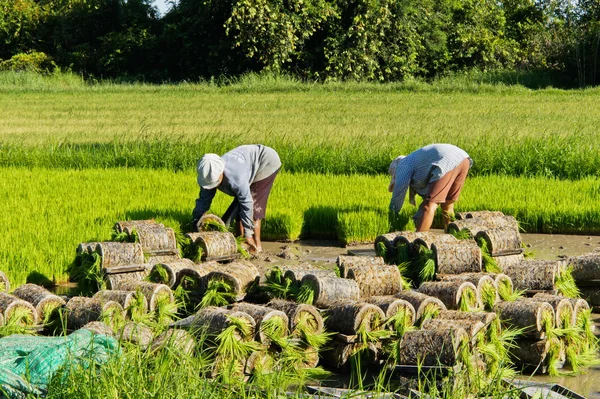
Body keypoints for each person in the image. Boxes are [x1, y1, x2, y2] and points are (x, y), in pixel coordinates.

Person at [192, 144, 281, 253]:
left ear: (221, 173)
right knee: (240, 212)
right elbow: (203, 201)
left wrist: (248, 234)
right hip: (246, 163)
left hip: (265, 161)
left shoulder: (236, 179)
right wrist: (196, 221)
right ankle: (240, 244)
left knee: (254, 207)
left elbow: (247, 204)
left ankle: (256, 246)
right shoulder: (207, 175)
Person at [388, 143, 472, 232]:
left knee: (429, 205)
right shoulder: (417, 161)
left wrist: (392, 215)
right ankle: (452, 236)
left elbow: (398, 194)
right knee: (447, 205)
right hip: (464, 159)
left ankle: (419, 241)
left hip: (446, 160)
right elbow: (430, 191)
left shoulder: (403, 165)